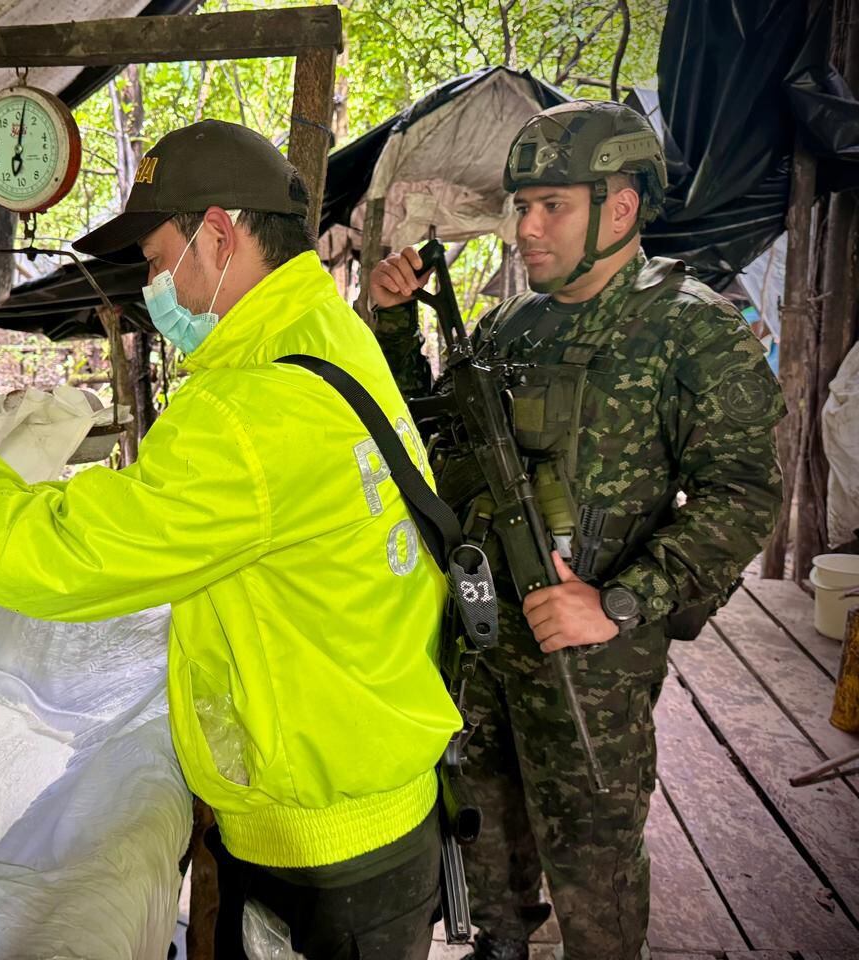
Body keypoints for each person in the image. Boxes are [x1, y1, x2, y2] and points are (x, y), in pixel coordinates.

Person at [0, 120, 460, 959]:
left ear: (217, 233)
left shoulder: (248, 410)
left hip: (322, 852)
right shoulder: (334, 339)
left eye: (154, 259)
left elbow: (53, 554)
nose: (151, 286)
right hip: (376, 791)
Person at [369, 100, 785, 960]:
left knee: (593, 865)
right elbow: (431, 436)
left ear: (619, 208)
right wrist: (398, 323)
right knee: (485, 844)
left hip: (590, 664)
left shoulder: (691, 328)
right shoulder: (512, 326)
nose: (525, 227)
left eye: (549, 205)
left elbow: (741, 494)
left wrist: (622, 600)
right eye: (521, 207)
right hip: (483, 646)